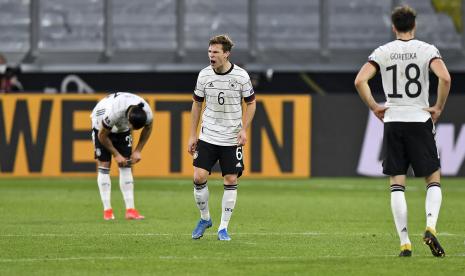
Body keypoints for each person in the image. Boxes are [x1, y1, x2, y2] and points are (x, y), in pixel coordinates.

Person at [354, 5, 451, 257]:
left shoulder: (383, 51)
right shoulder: (427, 50)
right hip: (419, 118)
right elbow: (445, 78)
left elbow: (359, 80)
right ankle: (430, 226)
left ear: (394, 27)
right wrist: (438, 107)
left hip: (394, 119)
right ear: (414, 26)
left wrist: (375, 106)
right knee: (433, 178)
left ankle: (405, 243)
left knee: (397, 181)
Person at [188, 34, 256, 241]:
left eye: (215, 52)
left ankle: (223, 228)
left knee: (230, 179)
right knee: (198, 177)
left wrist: (244, 129)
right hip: (208, 135)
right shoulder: (204, 75)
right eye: (209, 52)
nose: (211, 55)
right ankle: (205, 218)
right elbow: (197, 104)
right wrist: (192, 134)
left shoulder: (241, 76)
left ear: (226, 54)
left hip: (231, 138)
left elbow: (251, 103)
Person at [90, 92, 153, 220]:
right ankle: (107, 211)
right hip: (100, 124)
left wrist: (138, 150)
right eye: (133, 128)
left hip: (121, 127)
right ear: (128, 119)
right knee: (104, 164)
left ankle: (130, 210)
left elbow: (148, 128)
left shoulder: (147, 112)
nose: (134, 131)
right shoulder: (114, 112)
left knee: (126, 164)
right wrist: (116, 154)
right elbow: (102, 135)